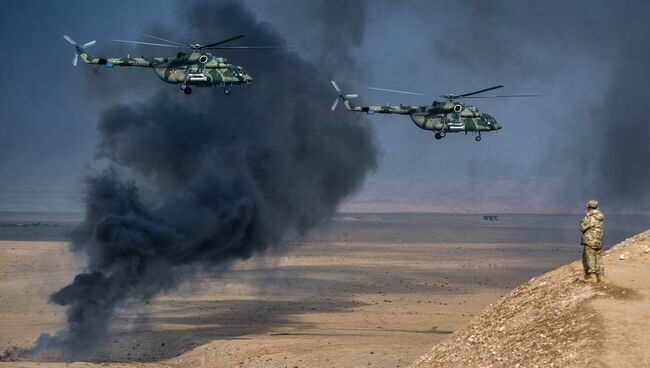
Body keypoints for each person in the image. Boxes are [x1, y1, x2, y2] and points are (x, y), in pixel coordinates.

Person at [579, 200, 605, 283]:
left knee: (589, 258)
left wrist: (585, 218)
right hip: (598, 241)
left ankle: (592, 277)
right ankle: (600, 277)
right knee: (598, 258)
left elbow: (582, 227)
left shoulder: (590, 217)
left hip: (590, 241)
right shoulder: (600, 217)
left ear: (589, 207)